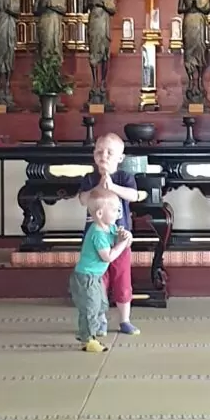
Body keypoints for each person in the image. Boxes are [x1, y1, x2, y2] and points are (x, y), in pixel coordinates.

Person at [76, 128, 145, 335]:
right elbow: (82, 199)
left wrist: (112, 186)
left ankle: (124, 320)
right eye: (99, 152)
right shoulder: (90, 178)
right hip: (95, 239)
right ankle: (99, 320)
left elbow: (133, 195)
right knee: (98, 283)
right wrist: (100, 184)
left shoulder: (124, 177)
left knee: (122, 279)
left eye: (109, 152)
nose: (103, 156)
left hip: (118, 237)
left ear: (120, 158)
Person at [69, 190, 130, 353]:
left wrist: (125, 237)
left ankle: (90, 331)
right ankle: (87, 339)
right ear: (100, 213)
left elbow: (121, 238)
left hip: (96, 277)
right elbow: (108, 257)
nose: (118, 212)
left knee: (101, 304)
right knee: (90, 307)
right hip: (86, 277)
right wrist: (122, 244)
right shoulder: (97, 233)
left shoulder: (110, 227)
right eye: (115, 209)